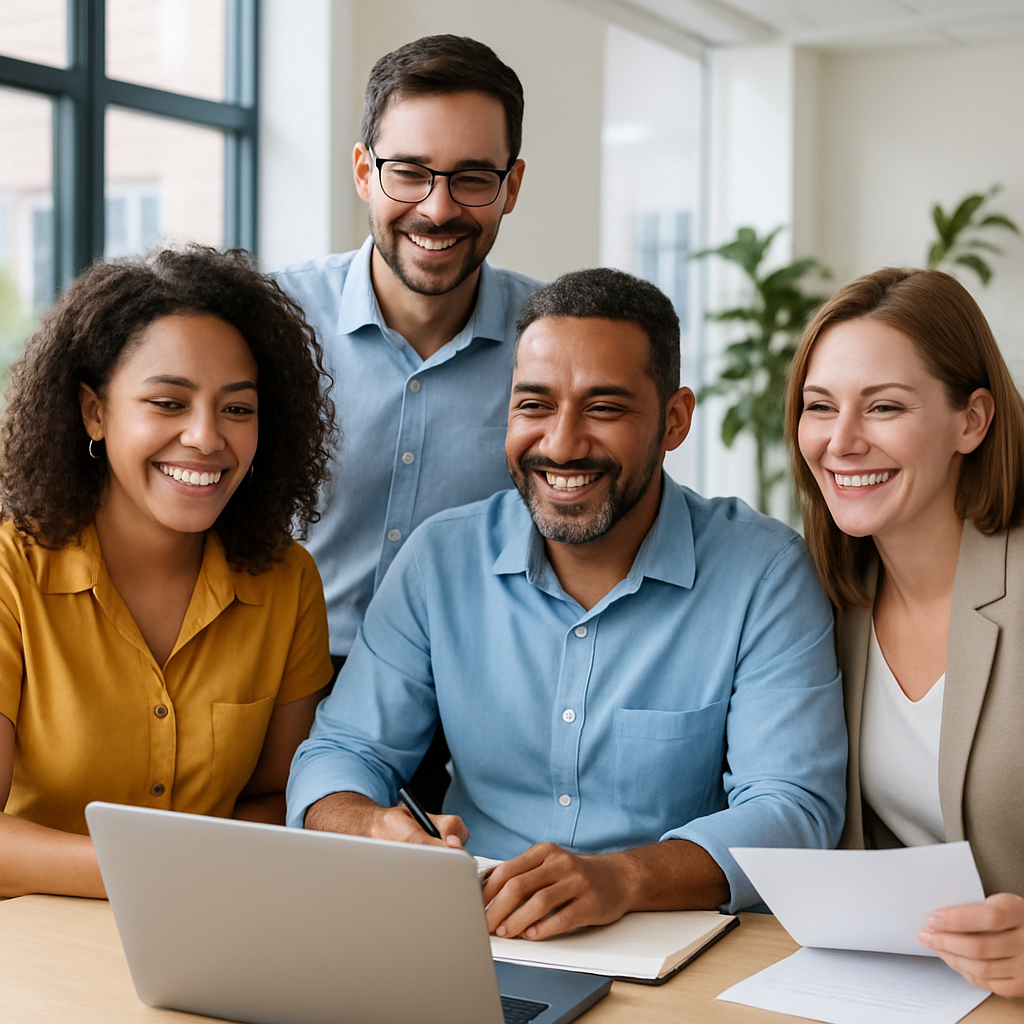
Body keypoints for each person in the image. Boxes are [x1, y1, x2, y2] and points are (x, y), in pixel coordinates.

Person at [288, 268, 847, 935]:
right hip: (471, 929)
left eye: (604, 408)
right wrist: (369, 824)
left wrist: (624, 876)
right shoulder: (440, 560)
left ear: (674, 421)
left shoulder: (763, 573)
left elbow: (794, 808)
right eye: (534, 405)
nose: (561, 443)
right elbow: (342, 752)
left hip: (668, 939)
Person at [0, 247, 336, 899]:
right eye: (167, 403)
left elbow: (275, 797)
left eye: (237, 409)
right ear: (94, 412)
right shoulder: (12, 569)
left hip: (215, 935)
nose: (207, 438)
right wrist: (167, 874)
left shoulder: (287, 581)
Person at [786, 266, 1024, 997]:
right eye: (819, 407)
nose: (842, 441)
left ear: (972, 421)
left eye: (883, 407)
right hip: (900, 993)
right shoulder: (824, 598)